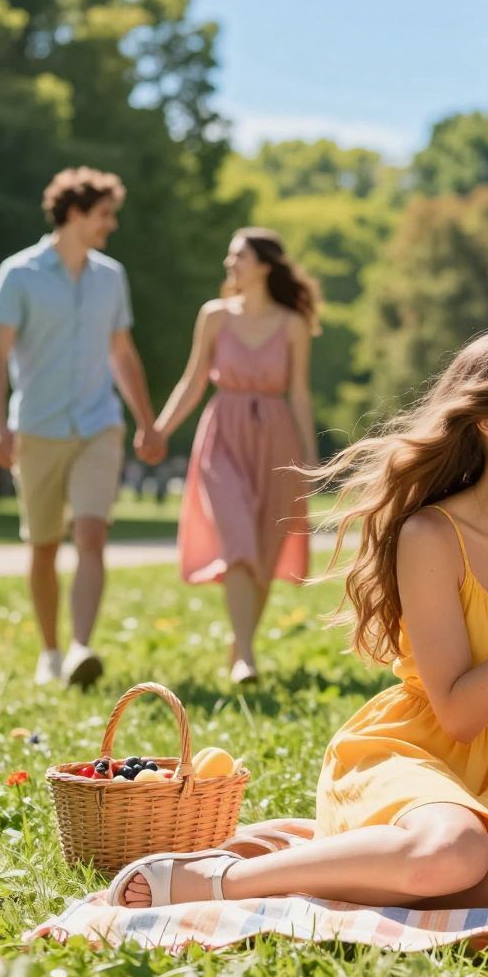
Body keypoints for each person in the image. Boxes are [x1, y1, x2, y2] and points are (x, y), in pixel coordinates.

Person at [108, 325, 488, 910]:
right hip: (412, 756)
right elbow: (459, 715)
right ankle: (223, 881)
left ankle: (386, 874)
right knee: (454, 849)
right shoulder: (431, 535)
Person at [0, 167, 162, 688]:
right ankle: (50, 651)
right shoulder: (19, 273)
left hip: (98, 425)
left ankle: (82, 646)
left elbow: (122, 354)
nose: (112, 224)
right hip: (36, 427)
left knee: (91, 533)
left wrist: (145, 421)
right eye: (105, 214)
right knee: (42, 545)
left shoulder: (111, 277)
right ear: (76, 214)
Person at [153, 228, 319, 683]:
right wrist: (160, 429)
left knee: (264, 551)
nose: (230, 264)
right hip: (223, 435)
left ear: (264, 265)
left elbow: (300, 395)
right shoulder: (214, 315)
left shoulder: (292, 324)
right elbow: (192, 380)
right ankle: (246, 655)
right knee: (238, 538)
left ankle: (241, 642)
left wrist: (309, 460)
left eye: (238, 256)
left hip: (276, 439)